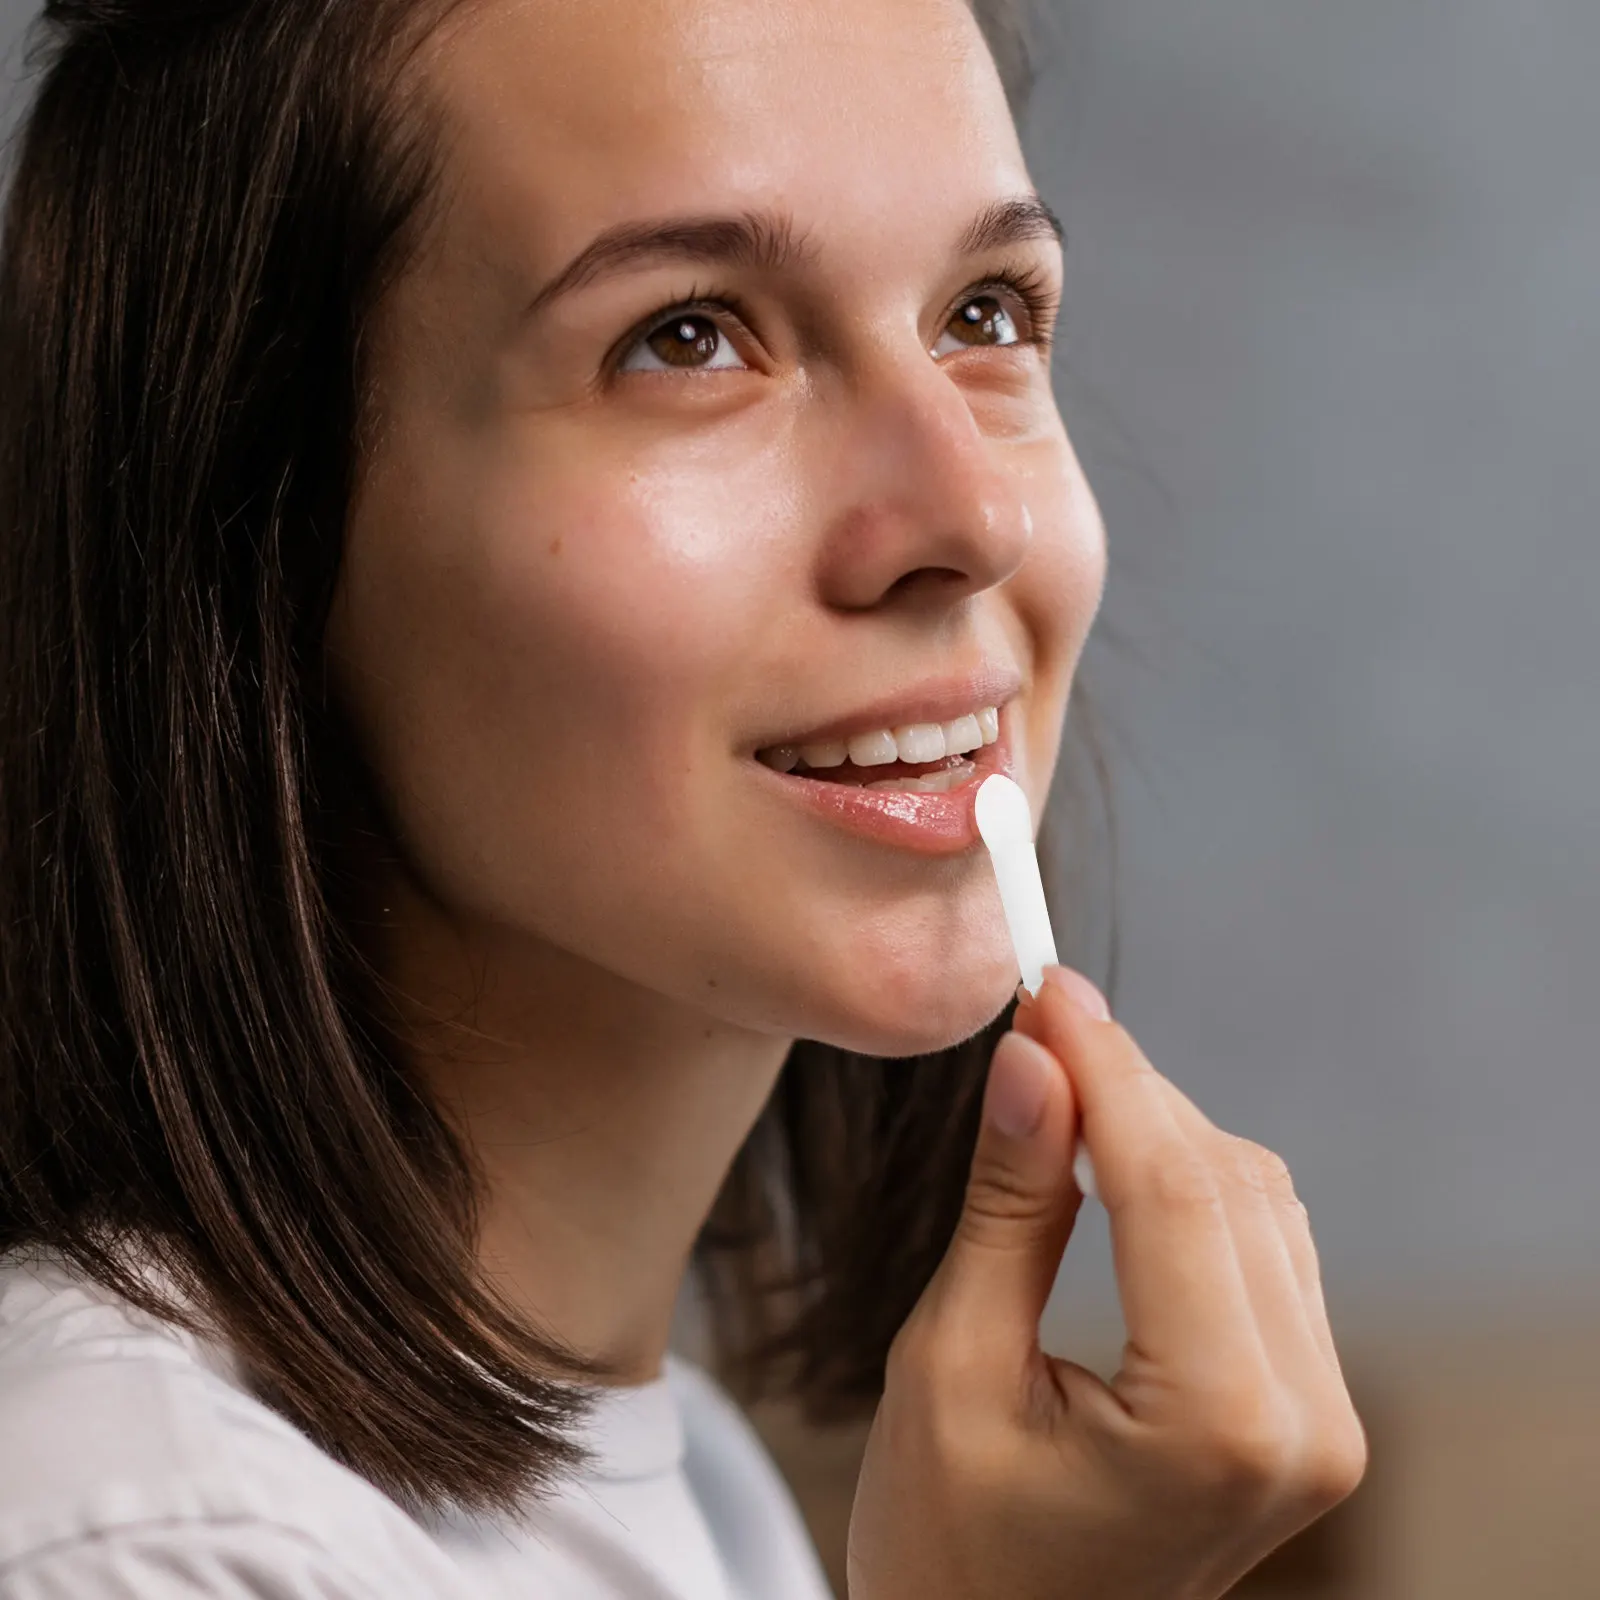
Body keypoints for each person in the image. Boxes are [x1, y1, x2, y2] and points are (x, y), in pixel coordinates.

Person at [0, 0, 1367, 1595]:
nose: (973, 517)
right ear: (253, 533)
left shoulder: (697, 1491)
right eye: (689, 336)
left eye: (984, 312)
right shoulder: (149, 1543)